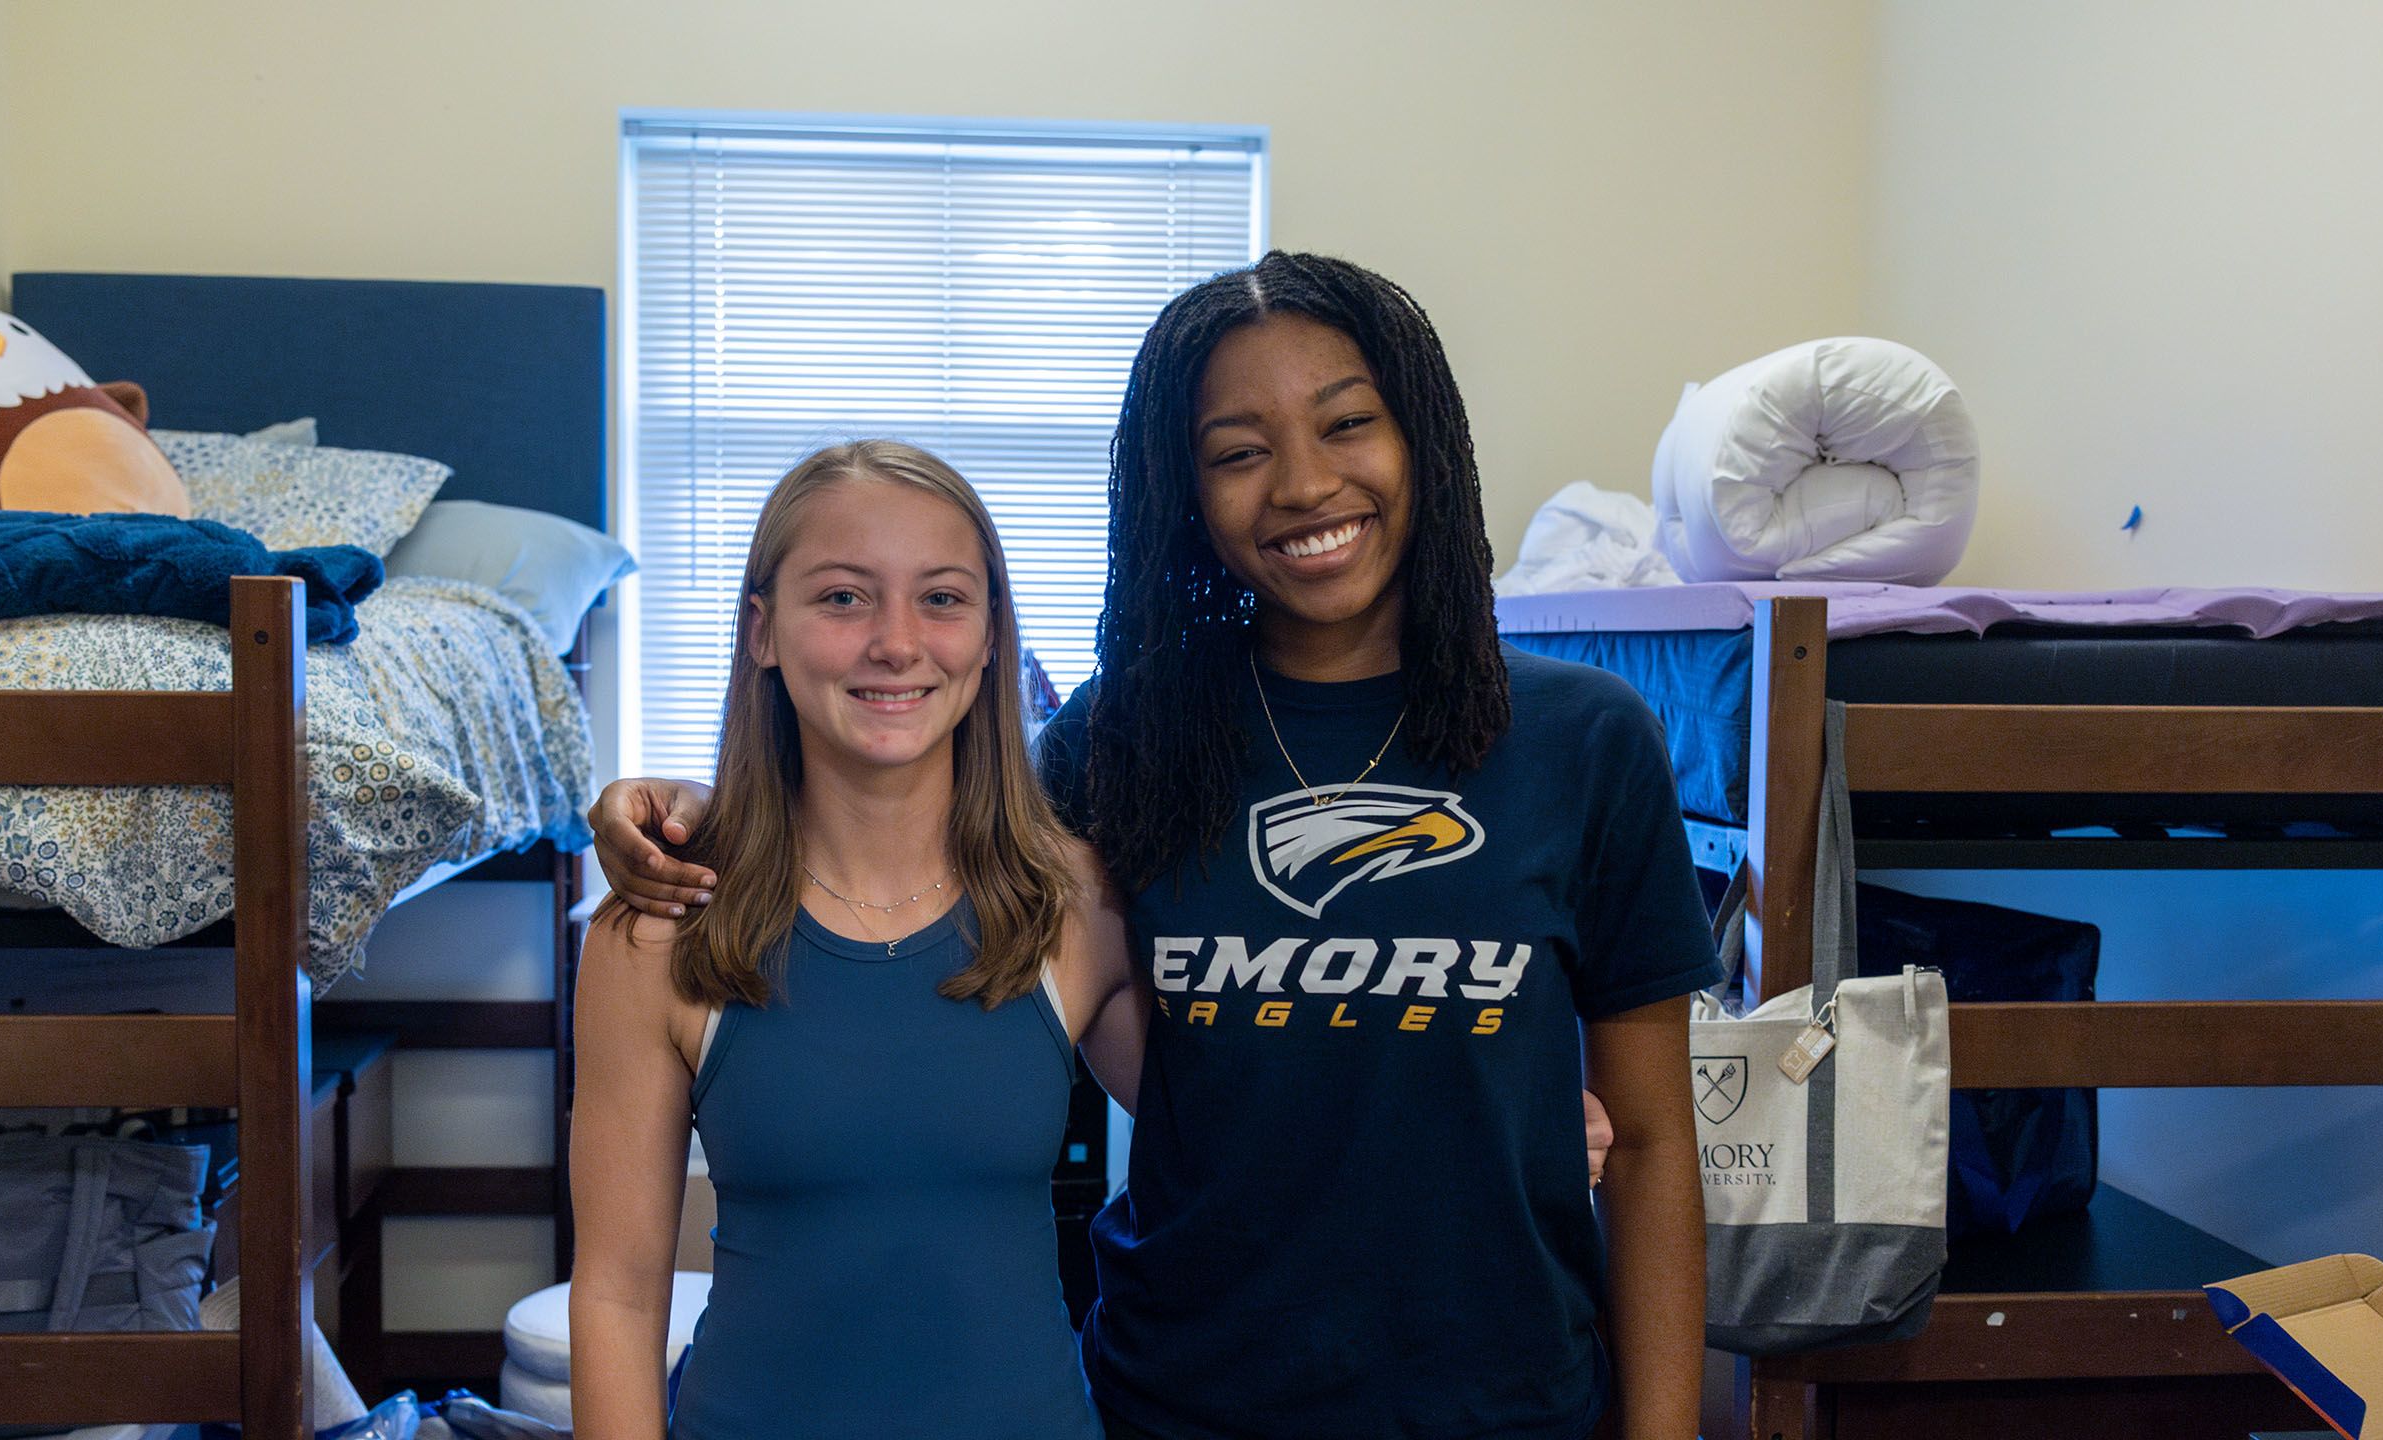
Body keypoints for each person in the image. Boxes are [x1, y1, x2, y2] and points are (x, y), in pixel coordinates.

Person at [592, 253, 1718, 1440]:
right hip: (1183, 1399)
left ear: (1423, 438)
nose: (1301, 484)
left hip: (1504, 1400)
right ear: (1183, 490)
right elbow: (898, 827)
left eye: (1347, 425)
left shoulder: (1588, 743)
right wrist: (685, 808)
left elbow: (1646, 1140)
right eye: (1237, 452)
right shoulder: (1118, 742)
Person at [567, 440, 1144, 1440]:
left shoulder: (1078, 907)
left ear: (993, 632)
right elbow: (616, 1297)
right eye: (842, 598)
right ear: (763, 631)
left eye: (943, 599)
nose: (895, 643)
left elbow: (1254, 1151)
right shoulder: (655, 933)